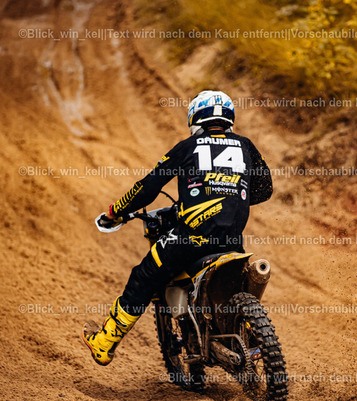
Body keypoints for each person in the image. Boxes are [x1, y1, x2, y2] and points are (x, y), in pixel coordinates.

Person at [82, 90, 273, 365]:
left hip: (190, 238)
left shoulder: (188, 146)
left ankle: (104, 342)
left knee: (144, 276)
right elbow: (265, 189)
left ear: (196, 118)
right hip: (232, 242)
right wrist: (232, 193)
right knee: (235, 285)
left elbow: (147, 188)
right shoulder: (246, 145)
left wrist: (115, 212)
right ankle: (247, 335)